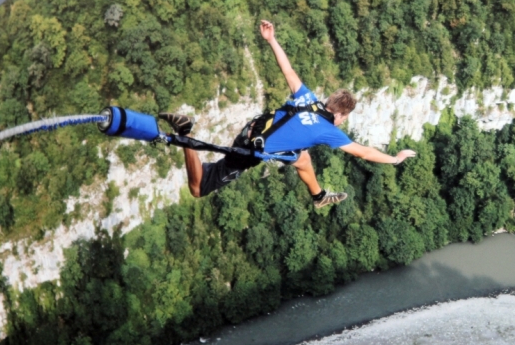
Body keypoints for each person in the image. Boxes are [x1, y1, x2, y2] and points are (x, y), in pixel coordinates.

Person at [159, 20, 417, 208]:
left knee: (302, 158)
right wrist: (395, 159)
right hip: (251, 150)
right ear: (342, 115)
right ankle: (186, 132)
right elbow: (364, 152)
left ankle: (318, 196)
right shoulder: (329, 131)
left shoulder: (308, 98)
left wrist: (271, 39)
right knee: (198, 188)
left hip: (252, 129)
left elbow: (288, 70)